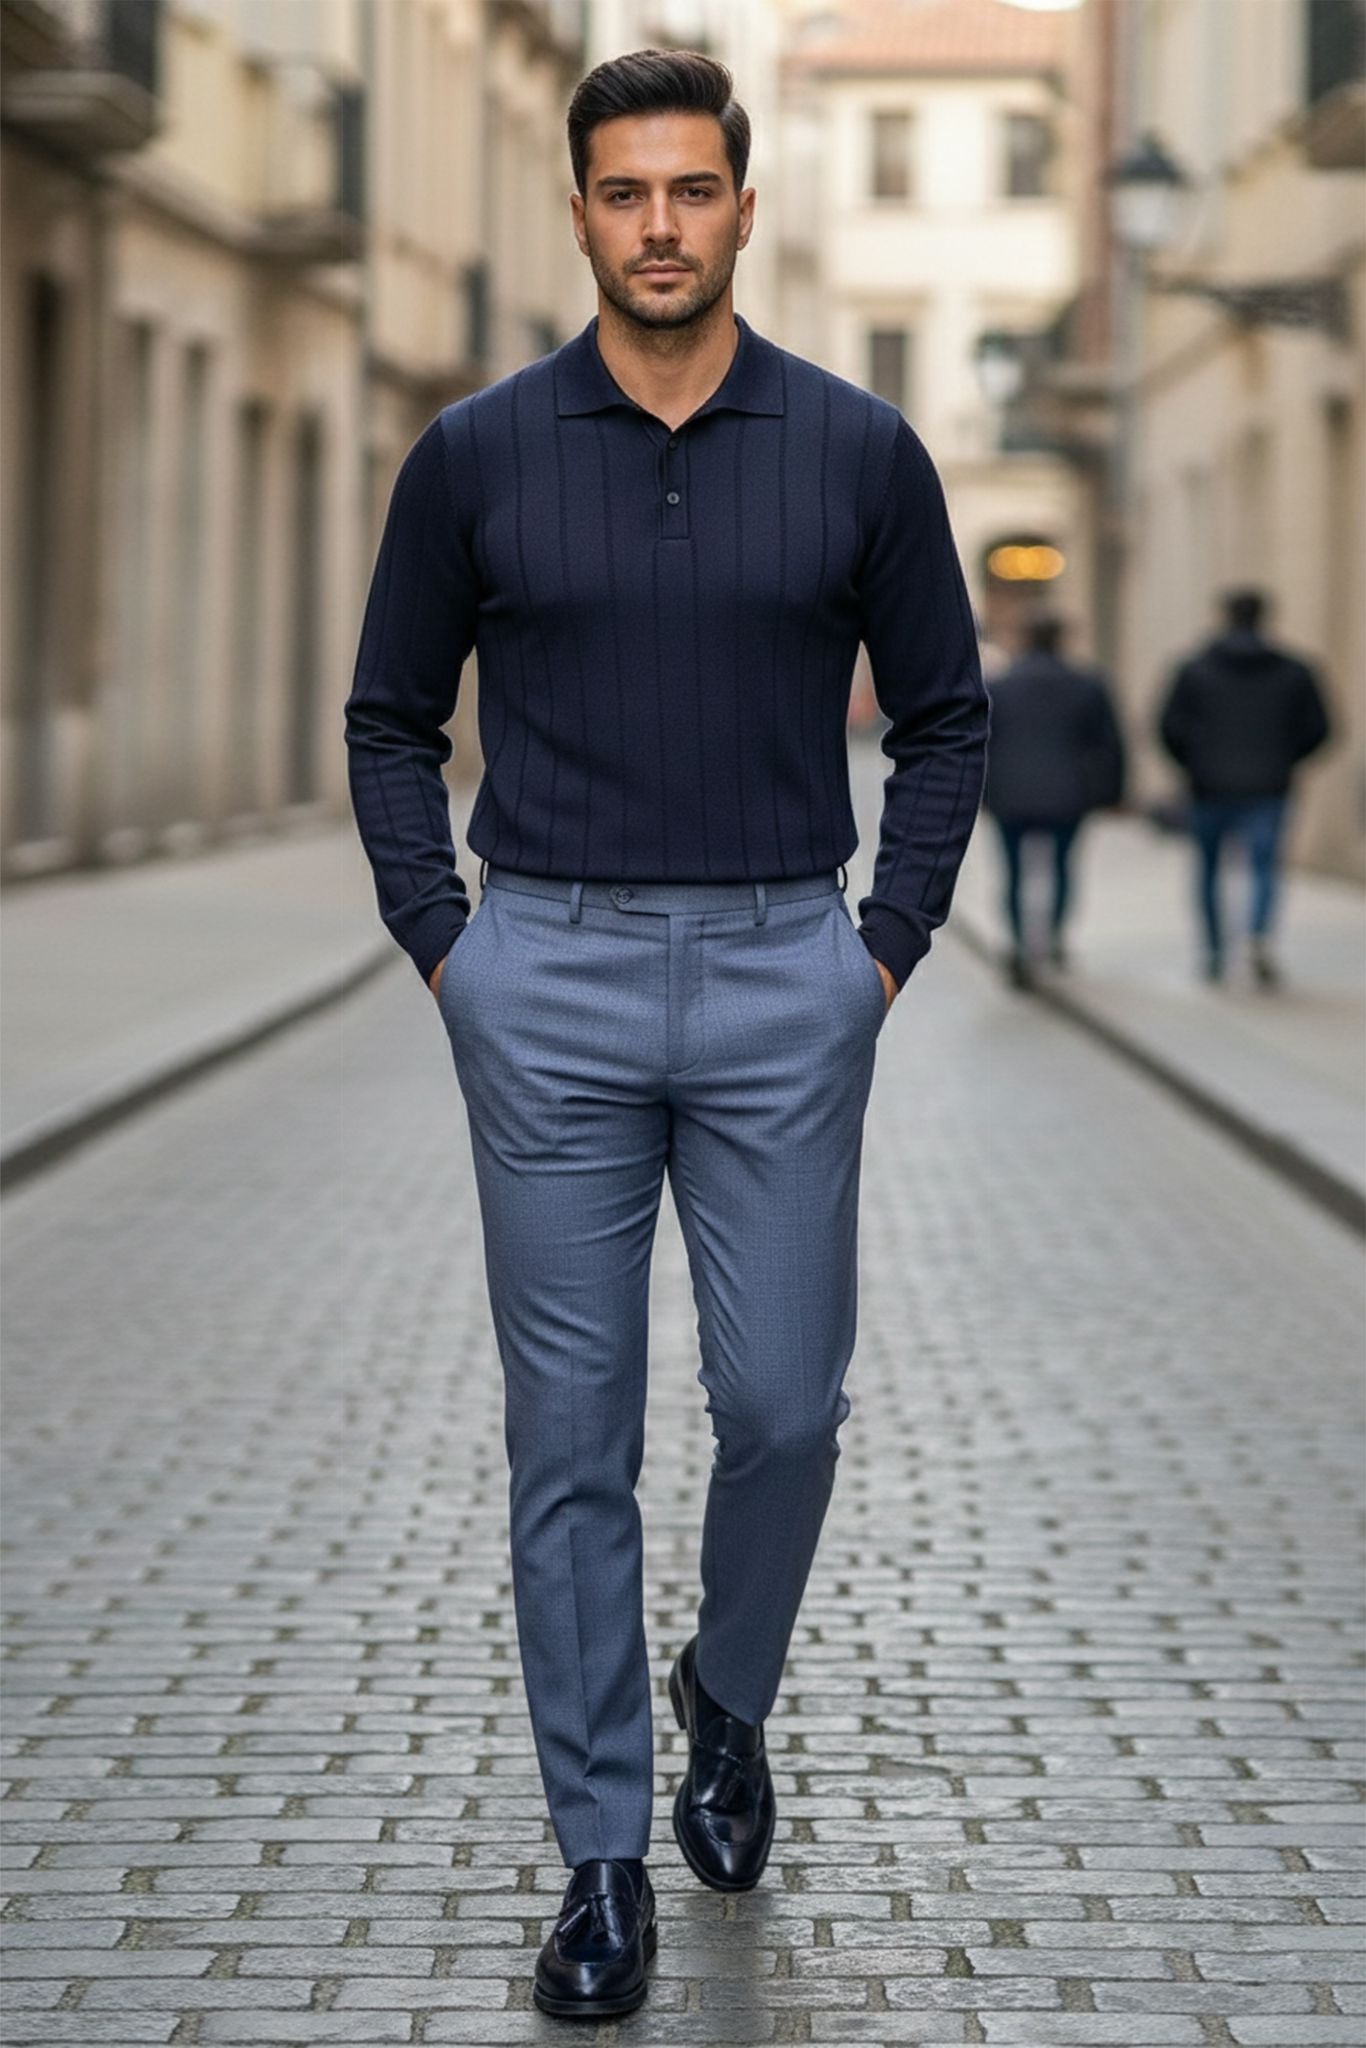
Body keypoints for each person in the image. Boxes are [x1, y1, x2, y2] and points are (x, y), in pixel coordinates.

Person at [343, 46, 989, 2020]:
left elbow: (946, 712)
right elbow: (386, 716)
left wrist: (875, 948)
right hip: (541, 970)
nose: (655, 226)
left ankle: (729, 1686)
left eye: (687, 191)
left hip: (787, 967)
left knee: (784, 1400)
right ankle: (602, 1861)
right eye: (621, 193)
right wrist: (451, 949)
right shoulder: (475, 450)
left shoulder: (858, 446)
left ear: (738, 206)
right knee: (570, 1440)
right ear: (577, 211)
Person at [1158, 588, 1331, 985]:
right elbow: (1319, 728)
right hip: (1269, 787)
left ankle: (1216, 950)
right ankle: (1257, 936)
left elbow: (1169, 727)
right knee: (1264, 868)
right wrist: (1284, 760)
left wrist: (1195, 764)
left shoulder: (1194, 669)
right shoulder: (1294, 671)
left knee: (1208, 871)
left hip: (1209, 787)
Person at [982, 612, 1125, 987]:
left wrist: (980, 795)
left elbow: (979, 744)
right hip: (1067, 792)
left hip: (1010, 793)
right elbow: (1110, 744)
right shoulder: (1087, 684)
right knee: (1061, 868)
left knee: (1014, 872)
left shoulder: (998, 687)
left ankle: (1018, 941)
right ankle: (1054, 937)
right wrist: (1112, 793)